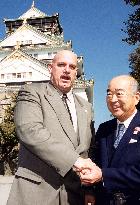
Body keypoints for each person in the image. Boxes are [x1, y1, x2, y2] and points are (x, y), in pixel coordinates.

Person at [7, 50, 95, 205]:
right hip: (36, 193)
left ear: (76, 73)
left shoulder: (85, 107)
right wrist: (75, 161)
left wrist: (89, 189)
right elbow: (29, 130)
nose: (67, 70)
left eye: (72, 67)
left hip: (74, 195)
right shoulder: (32, 92)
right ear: (50, 68)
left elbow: (87, 150)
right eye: (61, 65)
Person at [80, 75, 140, 205]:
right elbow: (94, 160)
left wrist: (104, 175)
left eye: (119, 94)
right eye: (109, 94)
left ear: (136, 97)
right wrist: (89, 190)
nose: (113, 99)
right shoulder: (104, 128)